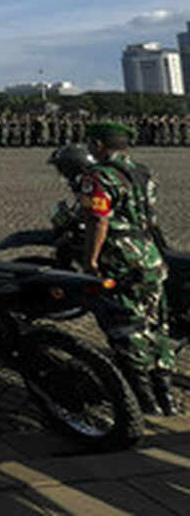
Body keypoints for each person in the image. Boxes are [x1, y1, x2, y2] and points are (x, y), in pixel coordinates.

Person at [79, 121, 179, 415]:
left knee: (126, 325)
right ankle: (166, 394)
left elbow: (98, 220)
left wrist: (91, 260)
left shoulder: (98, 176)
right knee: (156, 324)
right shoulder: (143, 172)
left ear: (98, 145)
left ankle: (142, 397)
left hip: (121, 256)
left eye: (90, 143)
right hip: (149, 253)